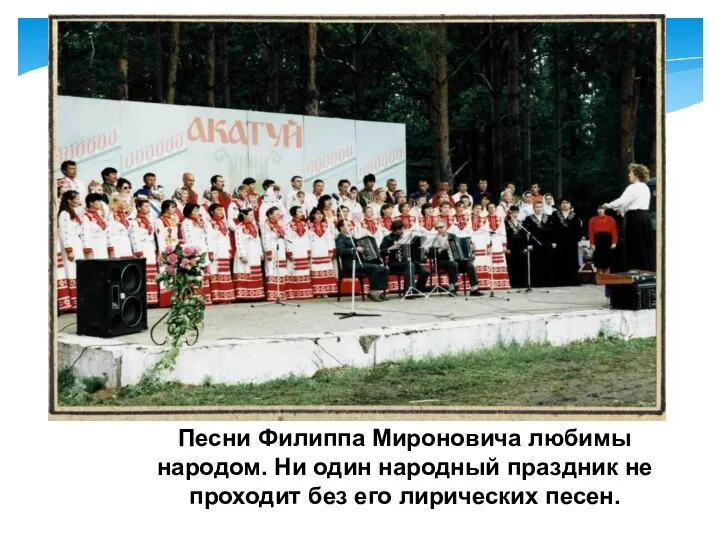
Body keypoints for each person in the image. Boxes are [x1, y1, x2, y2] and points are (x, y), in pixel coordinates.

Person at [603, 163, 655, 272]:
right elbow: (630, 203)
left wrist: (608, 205)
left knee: (634, 244)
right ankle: (646, 268)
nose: (629, 175)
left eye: (631, 173)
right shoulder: (645, 187)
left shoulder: (633, 187)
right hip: (645, 218)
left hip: (635, 218)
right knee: (644, 244)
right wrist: (621, 209)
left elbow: (622, 201)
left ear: (636, 174)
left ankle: (634, 268)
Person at [336, 219, 388, 302]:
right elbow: (340, 251)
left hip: (359, 263)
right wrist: (354, 249)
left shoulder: (352, 237)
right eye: (348, 225)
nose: (351, 227)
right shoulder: (340, 238)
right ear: (341, 228)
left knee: (384, 269)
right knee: (374, 267)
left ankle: (379, 291)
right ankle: (372, 292)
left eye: (351, 225)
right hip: (350, 264)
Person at [432, 220, 484, 297]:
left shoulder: (453, 236)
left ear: (446, 227)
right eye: (437, 228)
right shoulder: (434, 238)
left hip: (456, 262)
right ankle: (452, 288)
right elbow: (430, 253)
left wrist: (471, 248)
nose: (439, 229)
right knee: (453, 264)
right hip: (442, 262)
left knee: (470, 265)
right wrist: (441, 249)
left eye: (441, 227)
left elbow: (462, 247)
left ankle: (474, 289)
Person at [380, 220, 430, 297]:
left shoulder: (408, 237)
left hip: (410, 262)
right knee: (410, 265)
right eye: (401, 229)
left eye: (403, 229)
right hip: (395, 263)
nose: (403, 231)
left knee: (425, 271)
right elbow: (382, 251)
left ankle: (417, 290)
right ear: (395, 229)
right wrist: (391, 248)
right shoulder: (388, 238)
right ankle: (408, 291)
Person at [181, 203, 213, 306]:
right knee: (195, 274)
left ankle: (203, 298)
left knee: (202, 274)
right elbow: (188, 239)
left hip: (202, 249)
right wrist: (191, 255)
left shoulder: (198, 222)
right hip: (193, 251)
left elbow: (204, 236)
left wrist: (208, 250)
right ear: (188, 211)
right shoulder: (186, 222)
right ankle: (193, 299)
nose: (197, 213)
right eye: (195, 211)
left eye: (198, 210)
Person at [130, 198, 160, 307]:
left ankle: (152, 299)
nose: (148, 209)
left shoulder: (149, 220)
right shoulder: (135, 221)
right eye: (145, 206)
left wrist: (156, 249)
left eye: (148, 206)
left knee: (152, 274)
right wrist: (138, 252)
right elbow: (134, 237)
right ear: (139, 208)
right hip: (142, 247)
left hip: (150, 247)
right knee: (144, 273)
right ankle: (144, 299)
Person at [58, 190, 84, 311]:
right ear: (69, 200)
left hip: (77, 243)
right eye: (77, 199)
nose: (79, 201)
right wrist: (69, 250)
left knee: (78, 271)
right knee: (72, 271)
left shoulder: (74, 212)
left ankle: (79, 300)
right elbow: (65, 233)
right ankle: (73, 302)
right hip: (71, 245)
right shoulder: (64, 213)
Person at [232, 209, 266, 301]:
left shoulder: (254, 226)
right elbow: (238, 242)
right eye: (250, 215)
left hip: (254, 252)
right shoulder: (239, 227)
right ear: (244, 216)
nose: (252, 217)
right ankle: (244, 295)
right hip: (245, 252)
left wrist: (260, 253)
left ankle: (256, 294)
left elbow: (258, 240)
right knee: (245, 271)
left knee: (255, 271)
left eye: (252, 215)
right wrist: (242, 255)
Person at [206, 203, 235, 304]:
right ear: (212, 212)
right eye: (218, 210)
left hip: (224, 251)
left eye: (221, 210)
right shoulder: (210, 223)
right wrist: (210, 252)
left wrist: (229, 249)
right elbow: (209, 238)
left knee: (225, 272)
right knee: (216, 272)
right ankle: (217, 296)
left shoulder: (223, 223)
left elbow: (227, 237)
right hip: (216, 251)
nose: (220, 212)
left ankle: (226, 296)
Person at [551, 197, 583, 286]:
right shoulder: (555, 214)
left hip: (571, 242)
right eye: (563, 203)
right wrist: (553, 240)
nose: (565, 205)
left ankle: (572, 281)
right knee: (559, 261)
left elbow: (579, 229)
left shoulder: (575, 215)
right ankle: (560, 281)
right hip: (559, 241)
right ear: (560, 205)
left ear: (570, 205)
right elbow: (552, 229)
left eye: (567, 203)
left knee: (572, 262)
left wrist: (578, 239)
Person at [523, 200, 555, 287]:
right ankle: (537, 282)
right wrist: (528, 243)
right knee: (536, 263)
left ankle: (548, 282)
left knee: (547, 262)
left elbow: (553, 231)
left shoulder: (549, 217)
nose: (539, 209)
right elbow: (526, 233)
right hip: (534, 243)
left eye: (540, 207)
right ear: (533, 208)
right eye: (537, 207)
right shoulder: (529, 219)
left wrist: (553, 241)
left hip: (547, 243)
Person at [284, 206, 314, 300]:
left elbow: (307, 238)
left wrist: (308, 250)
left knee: (304, 270)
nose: (302, 213)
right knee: (293, 270)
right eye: (299, 211)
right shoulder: (288, 225)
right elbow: (287, 239)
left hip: (303, 249)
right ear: (294, 213)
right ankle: (294, 293)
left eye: (302, 211)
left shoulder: (304, 224)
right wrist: (289, 251)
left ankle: (305, 292)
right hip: (294, 249)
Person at [261, 206, 290, 301]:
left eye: (279, 214)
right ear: (270, 215)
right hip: (272, 249)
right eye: (277, 214)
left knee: (281, 270)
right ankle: (272, 294)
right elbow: (265, 239)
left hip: (280, 249)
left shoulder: (279, 224)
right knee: (271, 270)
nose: (279, 215)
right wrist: (268, 251)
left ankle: (281, 293)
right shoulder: (266, 225)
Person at [154, 200, 180, 307]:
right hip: (165, 249)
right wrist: (162, 252)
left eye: (175, 207)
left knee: (174, 274)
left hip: (174, 248)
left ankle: (175, 298)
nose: (175, 209)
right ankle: (166, 300)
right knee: (165, 272)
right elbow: (160, 238)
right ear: (166, 209)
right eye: (172, 207)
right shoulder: (159, 221)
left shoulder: (173, 219)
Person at [308, 208, 338, 297]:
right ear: (313, 215)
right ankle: (317, 292)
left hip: (325, 250)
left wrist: (331, 250)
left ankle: (325, 291)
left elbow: (330, 238)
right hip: (314, 250)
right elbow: (307, 239)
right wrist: (308, 250)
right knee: (316, 269)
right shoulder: (308, 225)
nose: (320, 215)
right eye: (317, 213)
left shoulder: (326, 225)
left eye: (321, 213)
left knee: (326, 269)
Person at [483, 203, 511, 290]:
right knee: (489, 261)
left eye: (493, 207)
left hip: (498, 241)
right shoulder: (484, 219)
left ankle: (501, 283)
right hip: (489, 241)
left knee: (499, 261)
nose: (492, 209)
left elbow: (503, 233)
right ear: (487, 209)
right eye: (490, 208)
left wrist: (504, 245)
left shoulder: (500, 219)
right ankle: (490, 283)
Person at [82, 193, 115, 260]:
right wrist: (88, 251)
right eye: (98, 201)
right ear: (91, 203)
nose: (100, 203)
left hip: (103, 247)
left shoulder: (100, 217)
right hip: (94, 246)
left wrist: (110, 248)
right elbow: (85, 235)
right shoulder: (86, 216)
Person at [588, 204, 618, 274]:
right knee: (599, 261)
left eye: (602, 209)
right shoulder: (592, 220)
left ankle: (607, 280)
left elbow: (614, 232)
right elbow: (590, 233)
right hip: (597, 241)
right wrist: (592, 243)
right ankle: (600, 280)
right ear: (597, 210)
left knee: (607, 261)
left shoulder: (611, 219)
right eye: (599, 209)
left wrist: (614, 242)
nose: (600, 210)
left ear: (605, 210)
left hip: (608, 241)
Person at [504, 205, 529, 288]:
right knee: (512, 265)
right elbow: (505, 236)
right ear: (509, 213)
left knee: (521, 265)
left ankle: (522, 283)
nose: (515, 214)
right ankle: (513, 283)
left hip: (521, 247)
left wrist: (525, 247)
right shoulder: (505, 223)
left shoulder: (522, 222)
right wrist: (507, 247)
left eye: (516, 212)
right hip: (511, 247)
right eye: (513, 212)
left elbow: (525, 236)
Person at [107, 193, 133, 257]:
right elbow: (109, 233)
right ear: (116, 202)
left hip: (127, 245)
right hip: (117, 245)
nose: (126, 203)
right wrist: (111, 249)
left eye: (126, 201)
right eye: (124, 201)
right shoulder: (111, 215)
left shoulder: (126, 215)